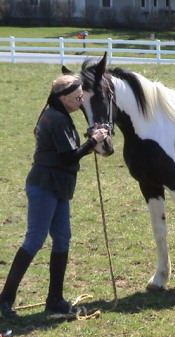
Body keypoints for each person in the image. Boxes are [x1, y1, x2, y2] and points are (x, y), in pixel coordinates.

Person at [0, 74, 108, 318]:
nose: (81, 101)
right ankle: (4, 300)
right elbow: (67, 156)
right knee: (35, 239)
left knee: (62, 239)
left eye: (82, 97)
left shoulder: (60, 115)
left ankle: (55, 299)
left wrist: (91, 142)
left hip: (58, 186)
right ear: (62, 98)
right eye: (77, 97)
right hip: (44, 186)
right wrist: (94, 141)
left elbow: (69, 153)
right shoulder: (56, 119)